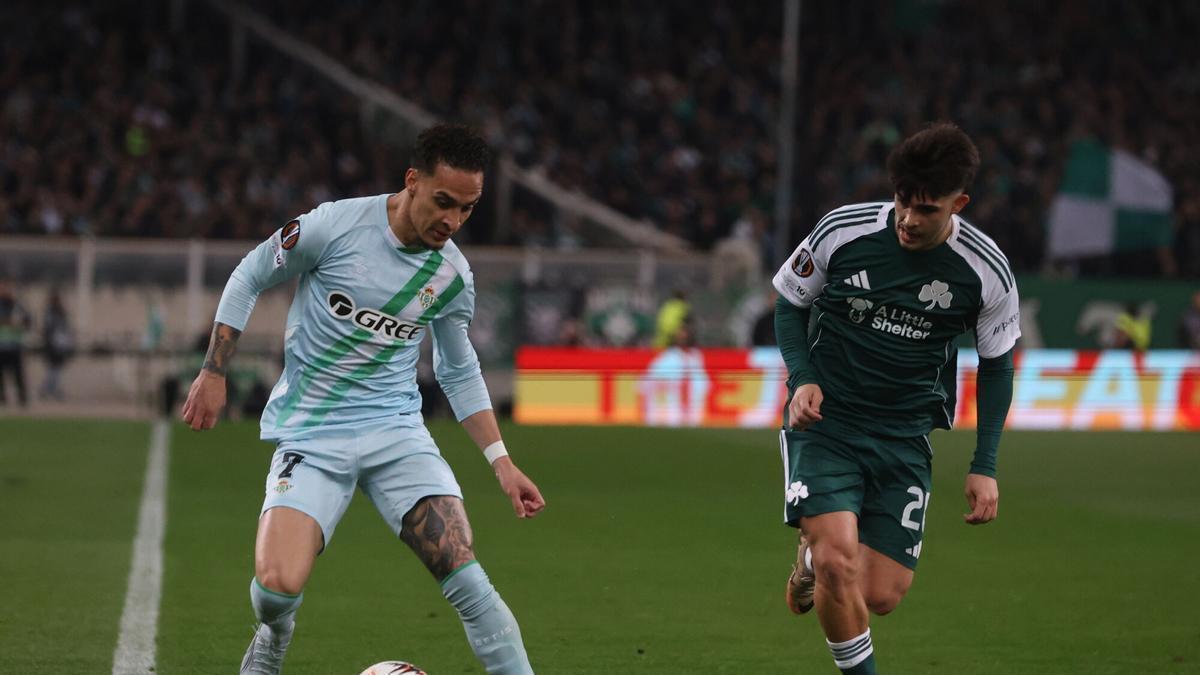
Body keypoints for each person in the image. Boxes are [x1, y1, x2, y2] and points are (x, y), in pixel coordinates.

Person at [181, 124, 545, 675]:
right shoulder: (335, 226)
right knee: (276, 590)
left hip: (395, 432)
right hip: (312, 432)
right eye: (443, 202)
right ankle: (273, 636)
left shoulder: (452, 276)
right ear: (412, 180)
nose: (452, 221)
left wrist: (502, 462)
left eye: (467, 209)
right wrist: (213, 371)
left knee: (464, 571)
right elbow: (249, 275)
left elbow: (458, 369)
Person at [772, 123, 1019, 674]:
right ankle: (823, 560)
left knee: (879, 594)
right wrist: (802, 377)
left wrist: (985, 465)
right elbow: (789, 303)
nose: (908, 218)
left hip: (904, 437)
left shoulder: (986, 270)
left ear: (958, 204)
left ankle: (810, 559)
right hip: (827, 424)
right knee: (839, 565)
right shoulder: (844, 230)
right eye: (903, 201)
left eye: (926, 209)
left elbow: (997, 365)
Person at [0, 279, 32, 406]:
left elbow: (27, 321)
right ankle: (2, 398)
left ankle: (22, 397)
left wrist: (19, 323)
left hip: (15, 345)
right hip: (1, 345)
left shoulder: (17, 306)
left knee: (18, 374)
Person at [39, 288, 73, 401]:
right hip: (53, 344)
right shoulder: (51, 313)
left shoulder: (58, 312)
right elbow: (50, 329)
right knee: (54, 368)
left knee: (55, 368)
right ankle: (49, 389)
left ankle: (50, 388)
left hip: (59, 343)